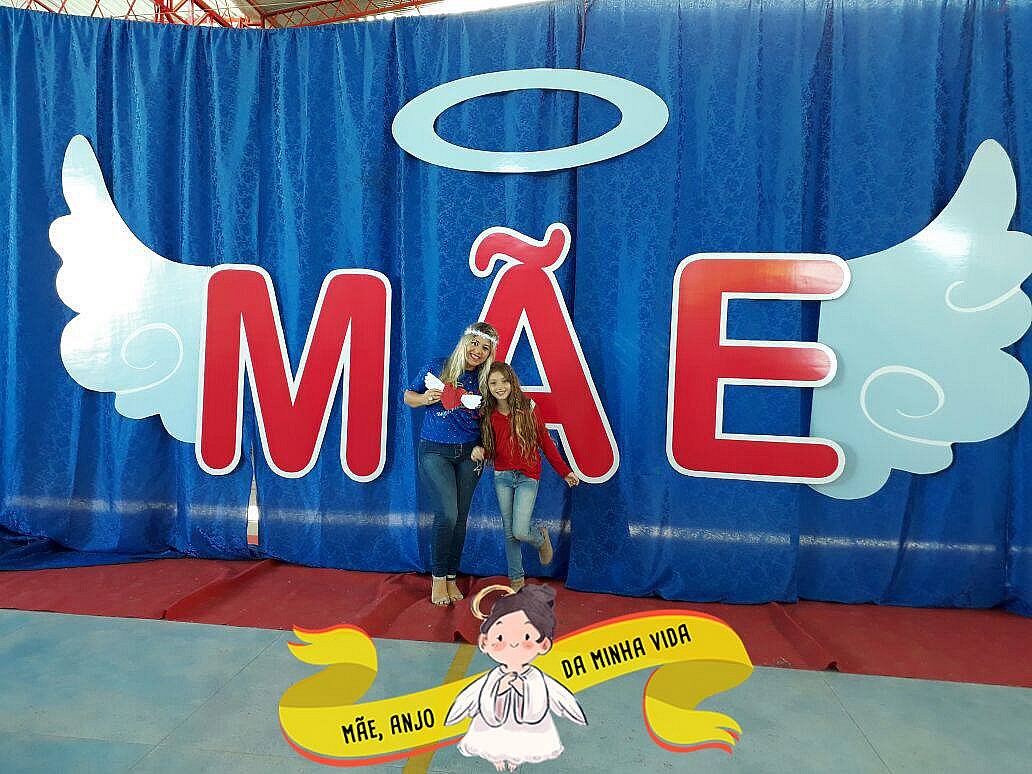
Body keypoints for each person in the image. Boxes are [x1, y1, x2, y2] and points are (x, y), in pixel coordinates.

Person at [405, 322, 499, 606]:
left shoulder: (486, 379)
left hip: (470, 454)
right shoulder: (438, 367)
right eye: (475, 343)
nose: (478, 351)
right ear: (464, 341)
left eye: (485, 348)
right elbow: (408, 396)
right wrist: (425, 398)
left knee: (460, 518)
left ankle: (450, 576)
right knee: (447, 514)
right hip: (435, 451)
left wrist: (484, 445)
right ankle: (437, 577)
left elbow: (492, 418)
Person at [445, 584, 587, 770]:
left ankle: (515, 759)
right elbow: (474, 696)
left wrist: (523, 688)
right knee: (492, 741)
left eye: (526, 637)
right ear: (484, 641)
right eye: (500, 637)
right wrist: (500, 688)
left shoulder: (535, 677)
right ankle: (496, 757)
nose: (512, 644)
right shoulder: (494, 677)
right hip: (493, 724)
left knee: (522, 744)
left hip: (528, 727)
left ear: (544, 644)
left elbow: (551, 698)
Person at [472, 363, 579, 592]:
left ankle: (540, 539)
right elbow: (493, 448)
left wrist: (565, 471)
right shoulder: (488, 414)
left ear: (512, 382)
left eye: (504, 381)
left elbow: (545, 442)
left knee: (519, 530)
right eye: (493, 383)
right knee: (509, 532)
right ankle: (517, 583)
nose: (500, 387)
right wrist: (481, 451)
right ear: (487, 387)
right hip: (502, 476)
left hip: (527, 476)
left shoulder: (528, 407)